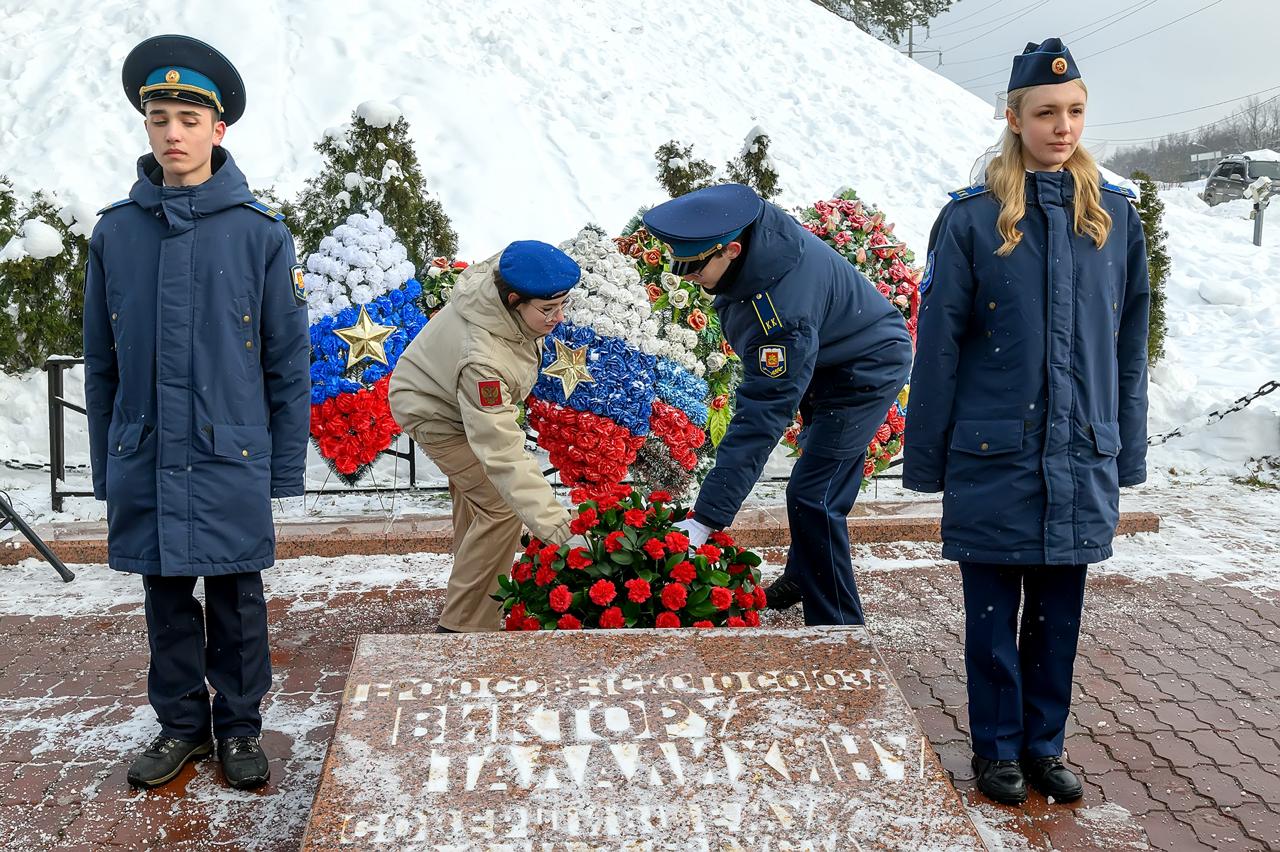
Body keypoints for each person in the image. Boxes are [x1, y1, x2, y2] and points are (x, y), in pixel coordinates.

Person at [903, 38, 1149, 806]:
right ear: (1013, 118)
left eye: (1075, 111)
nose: (1063, 126)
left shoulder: (1113, 217)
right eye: (1046, 112)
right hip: (994, 457)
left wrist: (1125, 452)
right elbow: (937, 351)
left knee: (1058, 624)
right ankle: (996, 751)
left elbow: (1130, 346)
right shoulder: (972, 223)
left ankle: (1045, 747)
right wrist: (929, 462)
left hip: (1078, 456)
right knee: (991, 625)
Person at [84, 35, 310, 790]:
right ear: (145, 126)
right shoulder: (116, 231)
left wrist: (283, 466)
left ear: (219, 128)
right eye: (159, 116)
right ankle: (181, 725)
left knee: (238, 598)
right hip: (146, 447)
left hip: (229, 451)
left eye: (188, 116)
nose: (173, 131)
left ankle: (240, 727)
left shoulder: (257, 233)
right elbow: (102, 360)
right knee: (164, 595)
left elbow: (285, 360)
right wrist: (106, 464)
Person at [643, 184, 913, 626]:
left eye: (695, 271)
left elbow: (761, 415)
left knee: (815, 495)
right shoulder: (756, 241)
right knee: (819, 482)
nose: (689, 279)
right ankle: (804, 577)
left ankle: (838, 627)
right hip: (831, 354)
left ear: (730, 250)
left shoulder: (779, 314)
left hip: (863, 369)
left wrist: (706, 518)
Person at [389, 241, 583, 632]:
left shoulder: (508, 279)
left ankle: (471, 591)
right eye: (548, 310)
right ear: (513, 300)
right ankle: (464, 626)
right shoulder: (483, 360)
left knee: (480, 497)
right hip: (434, 410)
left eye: (563, 305)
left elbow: (520, 257)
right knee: (500, 506)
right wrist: (559, 529)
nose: (558, 318)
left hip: (451, 390)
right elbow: (502, 453)